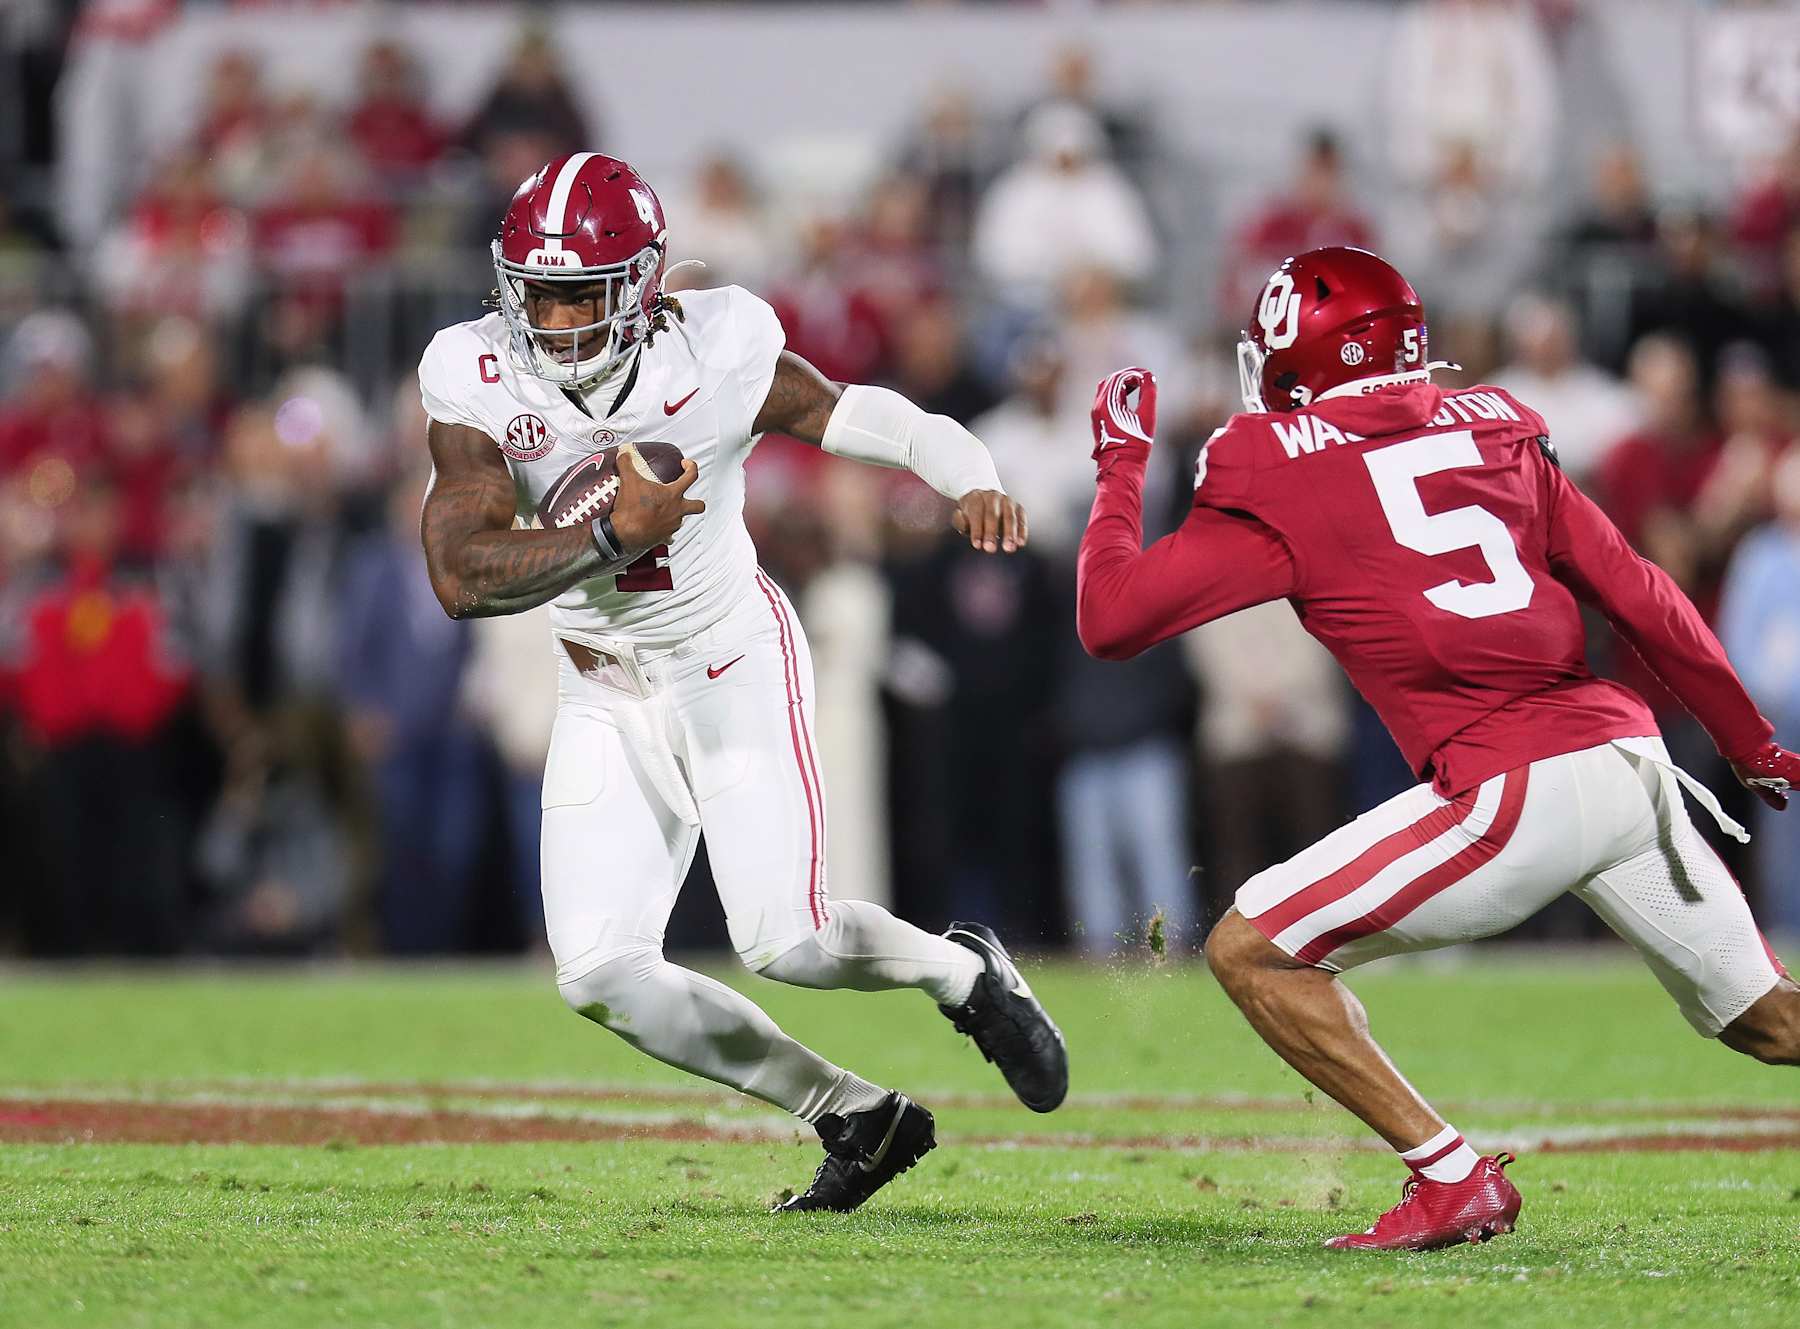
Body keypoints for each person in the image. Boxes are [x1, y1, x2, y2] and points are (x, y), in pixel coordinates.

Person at [1077, 246, 1800, 1252]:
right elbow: (1641, 593)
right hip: (1630, 765)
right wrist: (1751, 741)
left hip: (1512, 789)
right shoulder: (1497, 432)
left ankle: (1452, 1179)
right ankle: (1452, 1179)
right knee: (1770, 1022)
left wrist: (1118, 466)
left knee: (1256, 951)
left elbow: (1109, 619)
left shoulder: (1280, 471)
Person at [414, 153, 1067, 1213]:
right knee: (598, 975)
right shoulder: (475, 370)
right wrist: (606, 534)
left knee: (789, 940)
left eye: (581, 291)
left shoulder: (715, 348)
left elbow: (866, 415)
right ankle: (856, 1117)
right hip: (600, 688)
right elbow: (461, 575)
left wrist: (971, 474)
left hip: (727, 660)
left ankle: (965, 975)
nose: (554, 316)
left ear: (640, 286)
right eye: (537, 290)